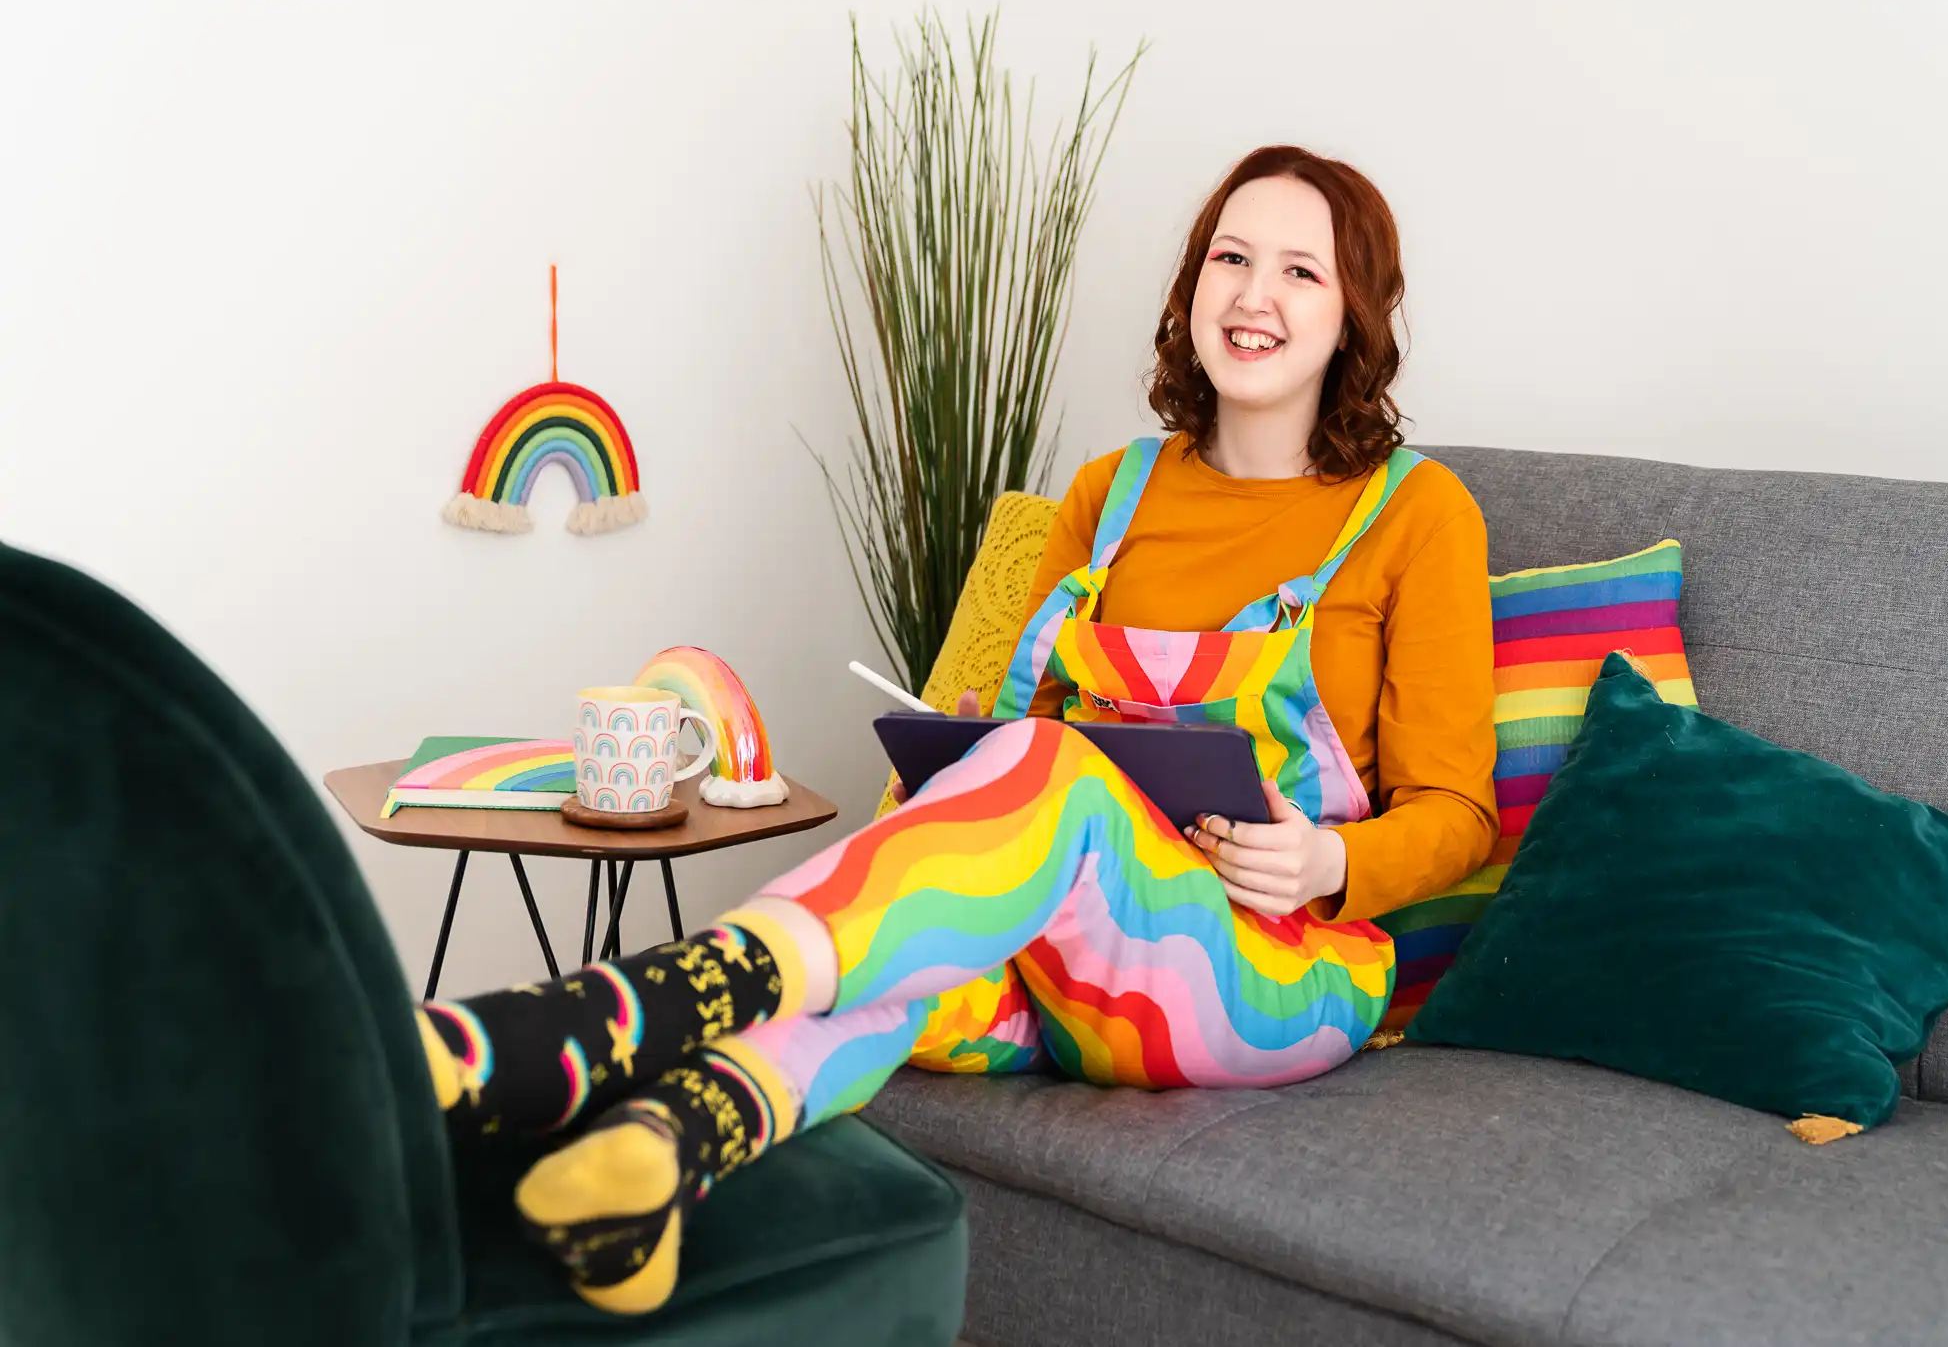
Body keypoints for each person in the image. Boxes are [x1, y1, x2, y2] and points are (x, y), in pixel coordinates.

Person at [414, 144, 1499, 1314]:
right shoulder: (1107, 492)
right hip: (1070, 960)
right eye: (1229, 257)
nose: (1252, 294)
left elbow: (1458, 815)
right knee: (917, 950)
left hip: (1272, 970)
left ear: (1352, 320)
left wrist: (1329, 858)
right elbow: (1017, 724)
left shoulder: (1415, 512)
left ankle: (599, 1015)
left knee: (1047, 768)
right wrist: (939, 779)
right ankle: (656, 1162)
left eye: (1301, 272)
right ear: (1188, 288)